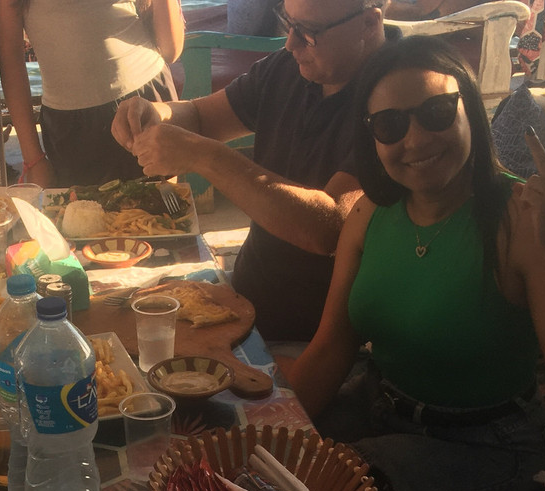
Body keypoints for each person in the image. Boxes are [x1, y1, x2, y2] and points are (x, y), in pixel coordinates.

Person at [278, 36, 545, 491]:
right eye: (390, 125)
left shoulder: (526, 219)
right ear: (371, 137)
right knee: (257, 464)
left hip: (486, 443)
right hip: (381, 403)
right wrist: (274, 434)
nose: (416, 140)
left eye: (436, 113)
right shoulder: (370, 213)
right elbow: (333, 345)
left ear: (470, 113)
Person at [111, 0, 389, 342]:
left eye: (309, 32)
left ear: (369, 24)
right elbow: (201, 117)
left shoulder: (395, 100)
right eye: (288, 22)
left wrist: (205, 157)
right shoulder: (290, 67)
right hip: (244, 303)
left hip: (316, 337)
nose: (291, 42)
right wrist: (157, 114)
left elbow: (328, 229)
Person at [0, 0, 185, 187]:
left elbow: (171, 51)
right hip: (70, 123)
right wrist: (33, 159)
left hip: (147, 100)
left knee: (164, 205)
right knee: (81, 208)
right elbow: (10, 56)